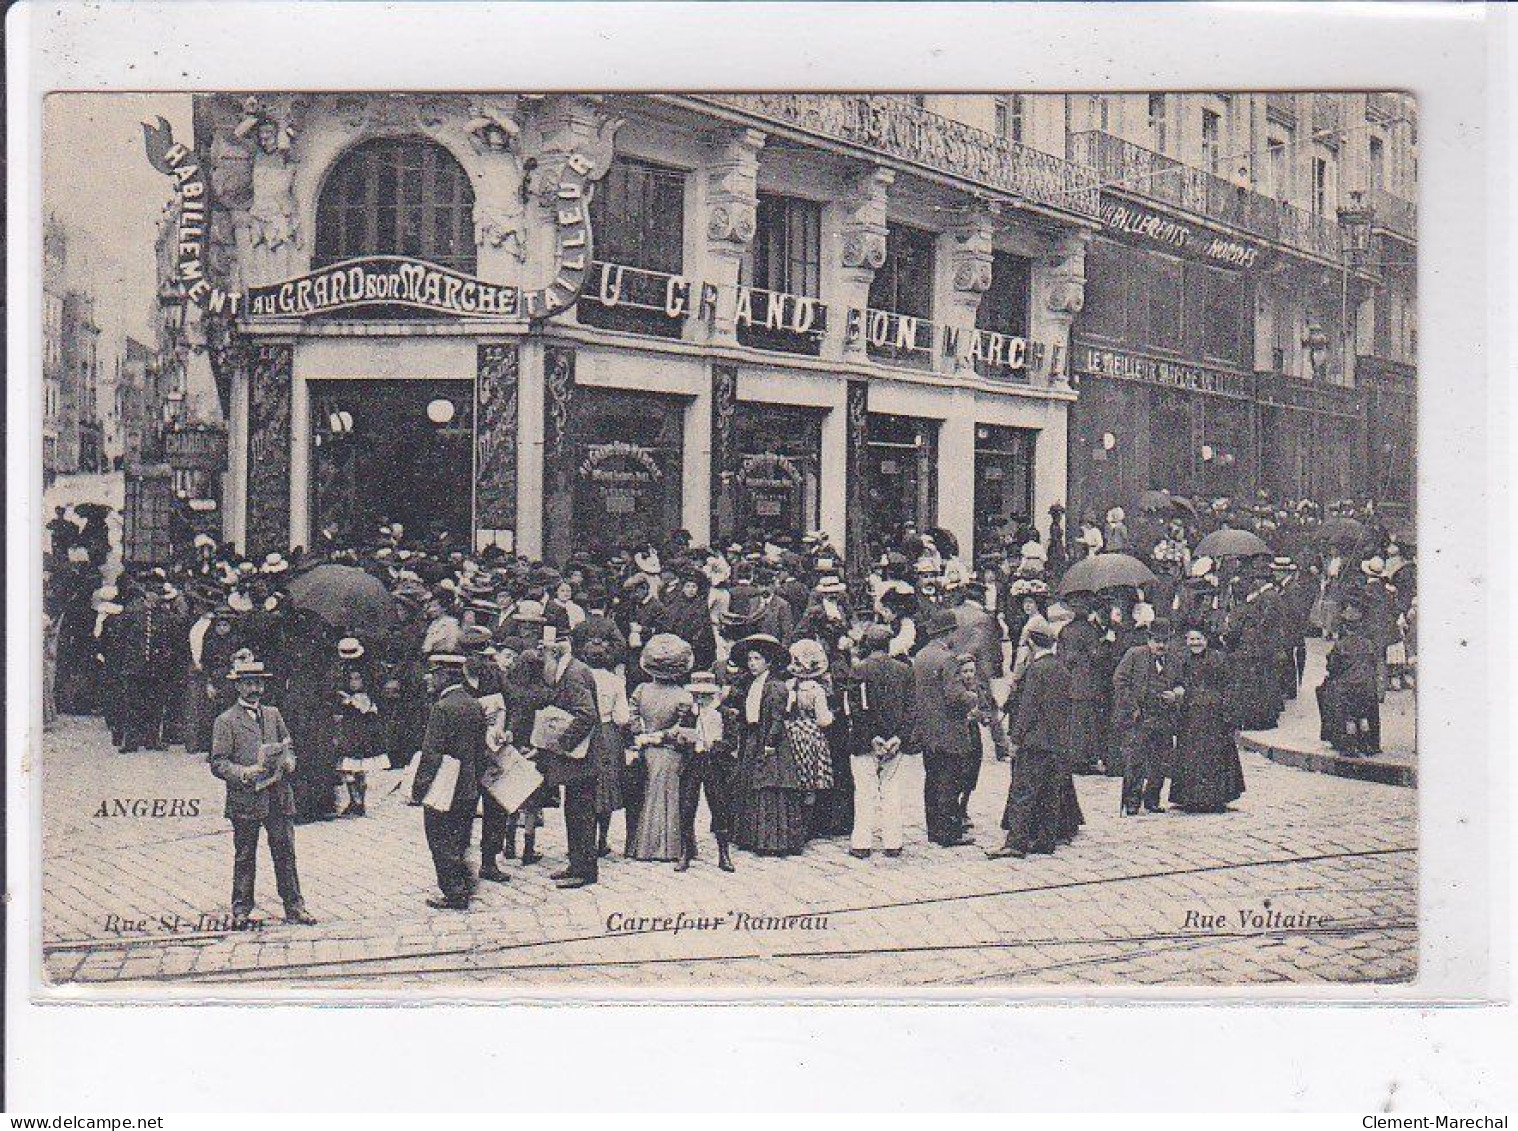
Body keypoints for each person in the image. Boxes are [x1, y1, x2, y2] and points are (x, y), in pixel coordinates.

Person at [208, 657, 316, 929]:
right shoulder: (226, 721)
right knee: (245, 854)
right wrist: (244, 772)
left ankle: (295, 906)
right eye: (248, 684)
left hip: (278, 795)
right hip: (246, 797)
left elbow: (287, 745)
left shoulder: (273, 714)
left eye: (258, 683)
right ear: (238, 687)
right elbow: (218, 763)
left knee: (285, 853)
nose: (254, 689)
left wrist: (289, 760)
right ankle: (241, 909)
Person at [990, 615, 1079, 857]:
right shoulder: (1061, 668)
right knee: (1050, 793)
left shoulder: (1036, 671)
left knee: (1024, 791)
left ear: (1031, 644)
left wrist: (1016, 740)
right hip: (1056, 742)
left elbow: (1028, 709)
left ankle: (1015, 843)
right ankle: (1045, 841)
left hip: (1034, 742)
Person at [412, 652, 490, 910]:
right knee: (460, 836)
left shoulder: (442, 708)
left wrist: (419, 787)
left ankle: (454, 893)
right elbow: (482, 750)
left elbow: (431, 753)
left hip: (444, 787)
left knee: (440, 838)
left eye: (434, 673)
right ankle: (465, 884)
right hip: (469, 786)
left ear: (445, 675)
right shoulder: (474, 703)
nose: (429, 679)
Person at [534, 625, 601, 888]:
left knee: (581, 814)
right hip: (576, 760)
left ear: (557, 651)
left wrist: (562, 742)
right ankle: (577, 865)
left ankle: (584, 871)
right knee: (574, 811)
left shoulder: (573, 675)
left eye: (546, 655)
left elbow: (587, 714)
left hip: (580, 759)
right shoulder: (571, 670)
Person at [731, 633, 808, 856]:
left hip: (770, 740)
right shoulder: (753, 684)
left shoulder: (775, 686)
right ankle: (751, 837)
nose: (752, 663)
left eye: (757, 659)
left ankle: (773, 841)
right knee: (751, 784)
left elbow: (777, 717)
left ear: (768, 662)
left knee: (769, 785)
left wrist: (770, 743)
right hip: (753, 737)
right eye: (750, 659)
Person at [911, 608, 978, 847]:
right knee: (950, 782)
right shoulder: (947, 659)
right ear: (947, 633)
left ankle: (934, 830)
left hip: (928, 730)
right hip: (949, 729)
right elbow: (954, 695)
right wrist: (972, 697)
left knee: (932, 780)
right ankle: (949, 832)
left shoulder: (920, 656)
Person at [846, 624, 915, 858]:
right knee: (892, 790)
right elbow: (911, 709)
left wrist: (871, 736)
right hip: (895, 740)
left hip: (865, 742)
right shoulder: (904, 670)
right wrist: (898, 737)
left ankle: (861, 843)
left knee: (864, 792)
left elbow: (855, 710)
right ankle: (893, 842)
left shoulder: (859, 670)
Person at [627, 634, 695, 864]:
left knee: (647, 794)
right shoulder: (683, 695)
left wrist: (641, 735)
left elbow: (632, 715)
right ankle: (668, 846)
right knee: (669, 795)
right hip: (669, 751)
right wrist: (662, 736)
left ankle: (644, 845)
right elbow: (682, 727)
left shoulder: (641, 690)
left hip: (647, 749)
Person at [1169, 627, 1245, 813]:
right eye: (1192, 639)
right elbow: (1174, 681)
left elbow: (1229, 684)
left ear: (1206, 640)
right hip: (1190, 714)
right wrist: (1178, 689)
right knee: (1190, 754)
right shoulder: (1181, 660)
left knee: (1214, 754)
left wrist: (1226, 708)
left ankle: (1215, 797)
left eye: (1199, 639)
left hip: (1213, 714)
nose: (1195, 643)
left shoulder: (1218, 659)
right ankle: (1190, 798)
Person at [1112, 619, 1183, 816]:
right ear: (1149, 639)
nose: (1161, 645)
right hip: (1140, 716)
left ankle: (1152, 800)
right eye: (1157, 640)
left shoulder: (1174, 660)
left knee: (1160, 761)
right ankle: (1132, 801)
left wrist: (1176, 694)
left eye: (1165, 641)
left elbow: (1181, 683)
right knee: (1135, 760)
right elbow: (1119, 681)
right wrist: (1131, 706)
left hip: (1164, 716)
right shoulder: (1135, 655)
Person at [677, 669, 737, 872]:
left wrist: (715, 745)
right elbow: (681, 738)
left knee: (719, 807)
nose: (700, 699)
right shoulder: (688, 714)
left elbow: (732, 742)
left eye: (705, 695)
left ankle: (724, 853)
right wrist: (683, 739)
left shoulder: (725, 713)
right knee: (687, 806)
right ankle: (686, 852)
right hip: (693, 763)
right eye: (696, 695)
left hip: (714, 765)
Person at [1317, 603, 1381, 756]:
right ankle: (1368, 742)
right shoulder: (1369, 644)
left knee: (1345, 711)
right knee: (1364, 712)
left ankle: (1348, 743)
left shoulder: (1341, 645)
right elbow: (1373, 664)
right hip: (1368, 688)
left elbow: (1332, 667)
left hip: (1348, 688)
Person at [333, 654, 385, 817]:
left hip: (360, 739)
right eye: (351, 679)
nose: (354, 682)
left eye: (357, 679)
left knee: (359, 771)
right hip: (348, 737)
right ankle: (354, 800)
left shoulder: (364, 698)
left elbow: (368, 714)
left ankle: (359, 801)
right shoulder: (344, 697)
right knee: (347, 771)